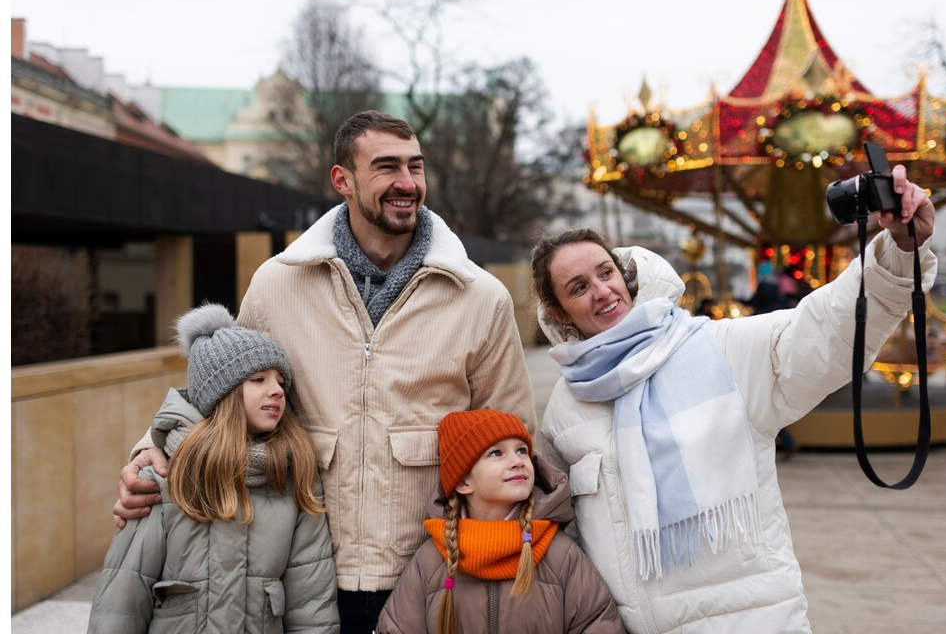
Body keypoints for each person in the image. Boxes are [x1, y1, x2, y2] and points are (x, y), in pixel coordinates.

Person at [113, 111, 535, 632]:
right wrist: (150, 447)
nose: (407, 184)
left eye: (416, 167)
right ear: (342, 180)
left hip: (431, 572)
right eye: (386, 167)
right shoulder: (278, 282)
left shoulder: (481, 296)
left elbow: (514, 432)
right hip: (300, 572)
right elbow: (219, 392)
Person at [530, 166, 936, 632]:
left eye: (606, 273)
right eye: (579, 287)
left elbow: (824, 327)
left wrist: (900, 252)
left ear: (626, 276)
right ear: (559, 312)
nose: (602, 292)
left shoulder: (719, 348)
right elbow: (568, 535)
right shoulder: (566, 404)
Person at [88, 304, 339, 633]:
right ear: (224, 393)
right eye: (258, 379)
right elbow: (121, 601)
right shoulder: (163, 479)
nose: (277, 390)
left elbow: (311, 601)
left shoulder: (294, 476)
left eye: (280, 381)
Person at [376, 409, 624, 634]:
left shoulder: (558, 554)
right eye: (496, 453)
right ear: (463, 482)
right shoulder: (431, 561)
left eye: (522, 450)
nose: (517, 460)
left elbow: (598, 622)